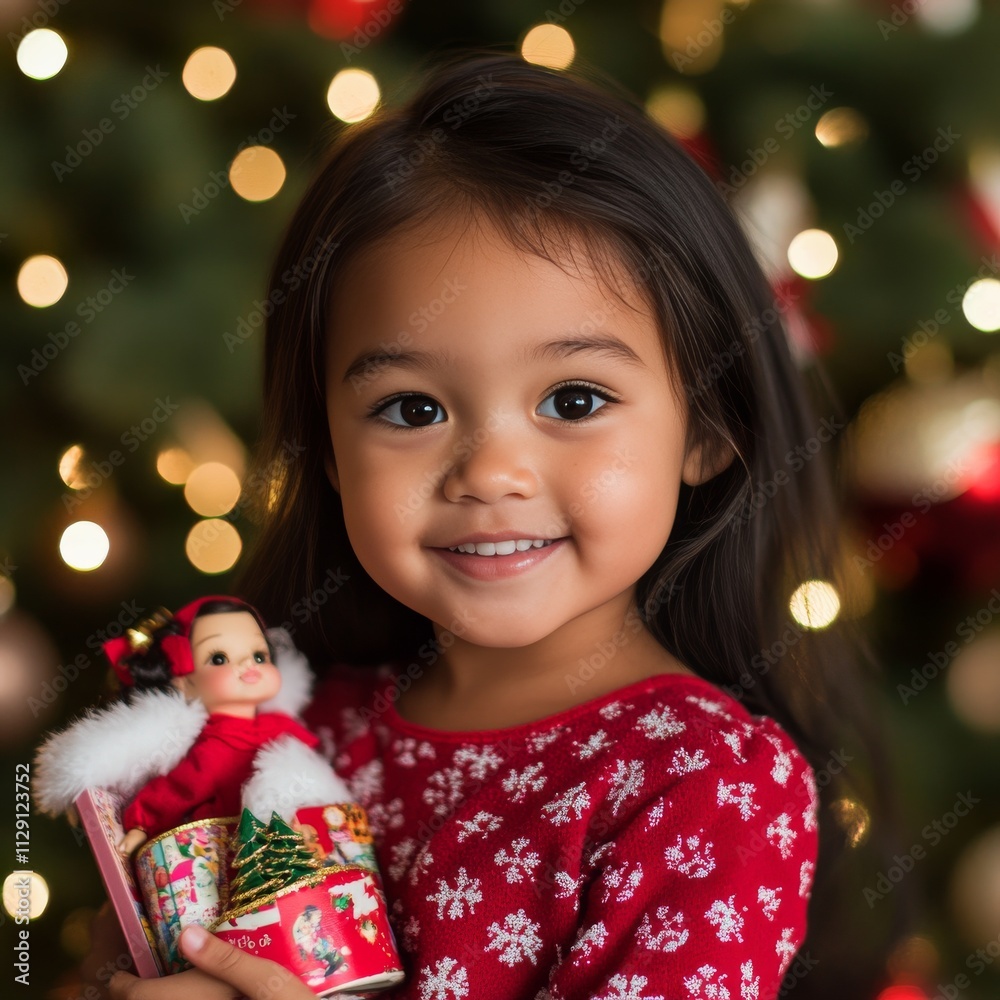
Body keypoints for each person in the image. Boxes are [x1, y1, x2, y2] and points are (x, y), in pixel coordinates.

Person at [104, 47, 897, 1000]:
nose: (489, 474)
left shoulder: (707, 787)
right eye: (410, 410)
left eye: (572, 398)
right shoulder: (298, 731)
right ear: (324, 446)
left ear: (709, 426)